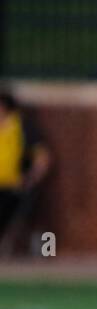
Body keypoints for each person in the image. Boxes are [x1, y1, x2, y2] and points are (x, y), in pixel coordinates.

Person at [0, 91, 53, 255]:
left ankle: (43, 252)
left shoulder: (22, 126)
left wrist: (30, 179)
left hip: (13, 187)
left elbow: (43, 157)